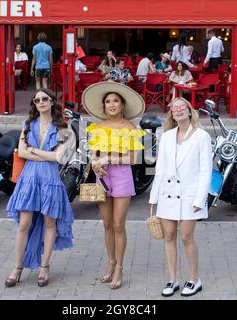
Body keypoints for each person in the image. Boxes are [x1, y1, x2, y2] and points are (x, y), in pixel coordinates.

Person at [5, 88, 74, 288]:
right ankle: (17, 267)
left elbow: (59, 157)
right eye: (37, 100)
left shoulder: (64, 128)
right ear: (34, 104)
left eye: (45, 99)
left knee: (49, 222)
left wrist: (33, 150)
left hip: (50, 179)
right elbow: (22, 153)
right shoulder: (28, 125)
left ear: (52, 102)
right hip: (29, 178)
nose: (41, 102)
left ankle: (44, 266)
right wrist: (43, 153)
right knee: (24, 224)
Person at [82, 82, 146, 290]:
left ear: (122, 104)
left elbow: (133, 159)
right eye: (108, 101)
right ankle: (110, 264)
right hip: (101, 176)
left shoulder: (130, 128)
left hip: (121, 176)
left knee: (119, 224)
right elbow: (93, 154)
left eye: (115, 101)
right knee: (107, 224)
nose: (111, 104)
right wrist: (94, 161)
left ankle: (119, 267)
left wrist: (107, 158)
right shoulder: (97, 127)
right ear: (104, 105)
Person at [149, 97, 212, 298]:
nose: (178, 110)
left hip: (190, 194)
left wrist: (200, 199)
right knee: (168, 236)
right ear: (171, 114)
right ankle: (172, 278)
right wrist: (154, 197)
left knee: (186, 237)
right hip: (167, 193)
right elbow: (159, 168)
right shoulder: (166, 136)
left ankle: (194, 279)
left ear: (189, 110)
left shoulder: (201, 136)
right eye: (174, 108)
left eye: (181, 107)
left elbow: (205, 171)